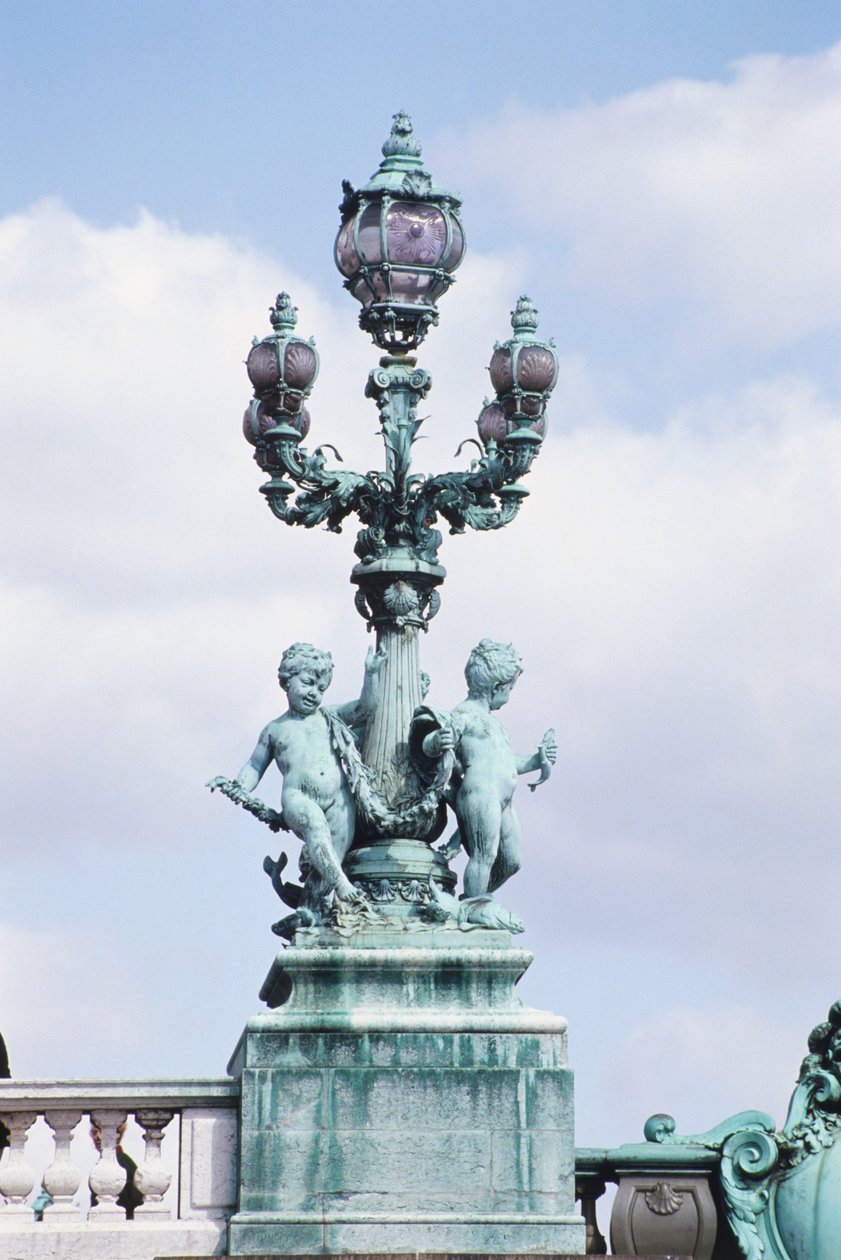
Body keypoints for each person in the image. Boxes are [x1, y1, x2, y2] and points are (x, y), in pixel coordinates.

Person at [225, 643, 385, 909]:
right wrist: (239, 788)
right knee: (316, 830)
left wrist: (371, 674)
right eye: (309, 683)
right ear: (287, 680)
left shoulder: (328, 716)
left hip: (339, 800)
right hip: (299, 799)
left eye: (321, 689)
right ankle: (344, 887)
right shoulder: (275, 730)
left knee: (326, 867)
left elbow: (365, 709)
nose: (315, 693)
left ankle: (307, 915)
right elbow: (254, 766)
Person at [422, 639, 556, 898]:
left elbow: (503, 763)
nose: (509, 695)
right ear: (496, 687)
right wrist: (437, 741)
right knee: (485, 856)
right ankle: (473, 909)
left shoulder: (493, 723)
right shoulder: (464, 714)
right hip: (480, 795)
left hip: (503, 799)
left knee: (512, 861)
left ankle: (472, 900)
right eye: (509, 688)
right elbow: (431, 743)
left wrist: (536, 761)